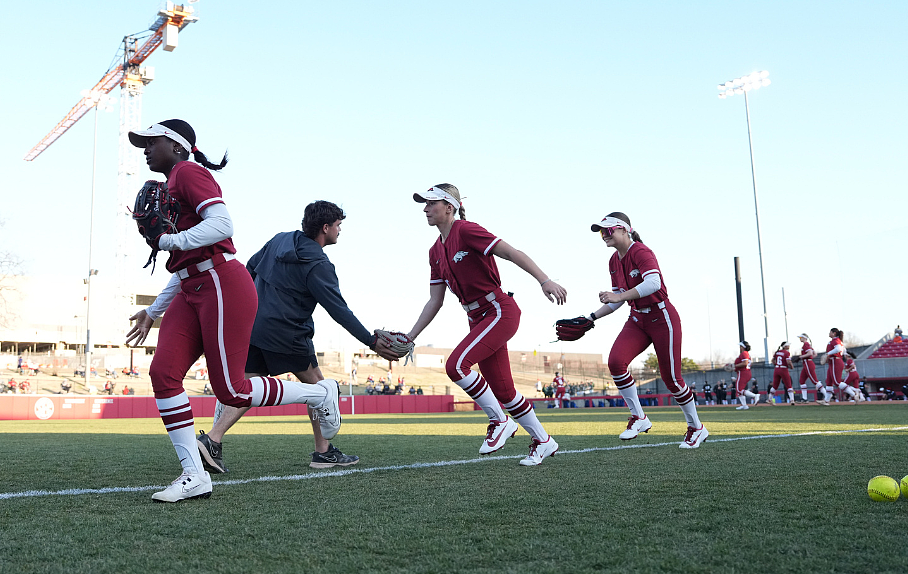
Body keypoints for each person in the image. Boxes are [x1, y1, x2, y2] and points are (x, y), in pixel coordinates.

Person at [125, 119, 341, 503]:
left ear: (176, 147)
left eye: (151, 141)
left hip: (222, 283)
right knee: (163, 372)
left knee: (232, 389)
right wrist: (155, 310)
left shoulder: (188, 171)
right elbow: (186, 263)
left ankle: (319, 393)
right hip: (193, 285)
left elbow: (223, 226)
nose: (144, 148)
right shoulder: (174, 180)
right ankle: (194, 476)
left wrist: (168, 238)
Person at [195, 201, 402, 474]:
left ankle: (213, 439)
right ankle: (323, 453)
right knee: (321, 390)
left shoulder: (280, 239)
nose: (340, 230)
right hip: (289, 334)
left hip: (255, 327)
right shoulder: (319, 264)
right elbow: (339, 310)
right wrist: (371, 341)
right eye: (338, 225)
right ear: (325, 228)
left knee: (245, 388)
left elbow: (249, 269)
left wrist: (248, 308)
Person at [404, 184, 566, 465]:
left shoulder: (466, 230)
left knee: (456, 366)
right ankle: (543, 441)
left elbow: (513, 252)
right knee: (504, 390)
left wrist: (545, 280)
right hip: (476, 317)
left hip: (498, 310)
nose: (425, 208)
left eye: (431, 203)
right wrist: (411, 337)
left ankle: (500, 421)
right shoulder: (434, 251)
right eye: (424, 203)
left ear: (449, 207)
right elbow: (435, 301)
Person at [559, 212, 708, 449]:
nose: (603, 235)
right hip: (638, 318)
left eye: (607, 230)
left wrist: (618, 296)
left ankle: (696, 428)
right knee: (616, 362)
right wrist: (591, 316)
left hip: (662, 317)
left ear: (623, 230)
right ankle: (639, 417)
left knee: (672, 380)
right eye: (601, 232)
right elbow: (617, 299)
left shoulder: (640, 251)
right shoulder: (613, 260)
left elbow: (653, 284)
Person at [820, 328, 862, 403]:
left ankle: (853, 394)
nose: (829, 333)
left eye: (830, 332)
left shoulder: (835, 340)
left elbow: (838, 349)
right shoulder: (838, 341)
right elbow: (843, 351)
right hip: (834, 361)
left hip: (835, 361)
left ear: (834, 333)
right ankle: (826, 401)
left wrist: (827, 354)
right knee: (829, 382)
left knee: (837, 382)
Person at [731, 340, 758, 410]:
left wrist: (735, 366)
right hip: (745, 372)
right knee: (739, 390)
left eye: (740, 346)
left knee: (739, 390)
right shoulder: (746, 354)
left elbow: (745, 363)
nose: (740, 348)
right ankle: (744, 405)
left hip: (743, 372)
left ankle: (755, 396)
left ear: (742, 347)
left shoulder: (744, 353)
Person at [794, 333, 820, 402]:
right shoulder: (808, 345)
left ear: (804, 338)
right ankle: (804, 398)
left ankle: (826, 394)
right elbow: (815, 354)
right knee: (802, 381)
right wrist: (810, 358)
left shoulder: (806, 344)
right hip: (807, 363)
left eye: (801, 338)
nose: (800, 339)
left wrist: (800, 357)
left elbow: (810, 354)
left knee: (815, 381)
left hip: (808, 363)